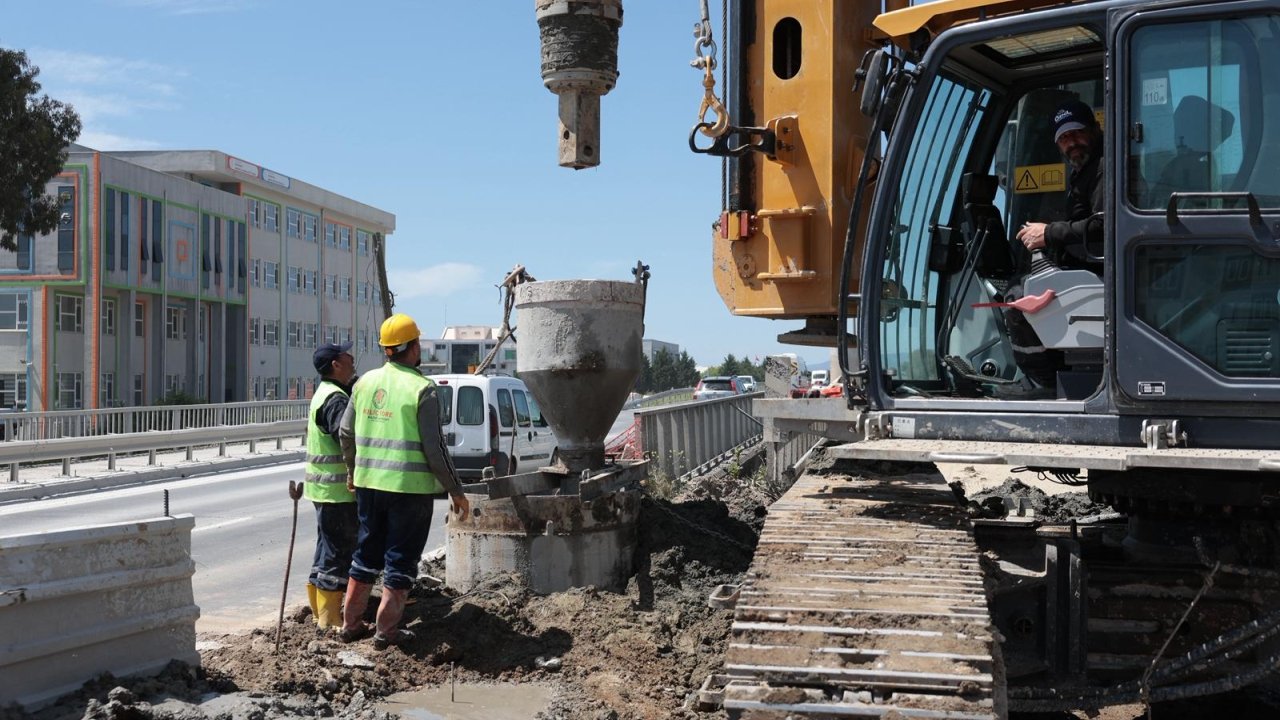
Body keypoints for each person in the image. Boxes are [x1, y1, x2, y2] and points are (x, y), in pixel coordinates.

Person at [338, 313, 471, 649]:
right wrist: (456, 490)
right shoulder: (421, 389)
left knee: (366, 554)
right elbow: (435, 448)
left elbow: (345, 431)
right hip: (409, 492)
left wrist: (353, 471)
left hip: (369, 485)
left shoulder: (363, 383)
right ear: (412, 348)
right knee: (400, 559)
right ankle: (386, 631)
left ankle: (351, 624)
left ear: (386, 350)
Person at [1002, 99, 1104, 398]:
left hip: (1104, 271)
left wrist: (1048, 233)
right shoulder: (1084, 170)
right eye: (1063, 138)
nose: (1070, 142)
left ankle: (1043, 382)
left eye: (1076, 133)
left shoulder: (1104, 167)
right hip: (1092, 266)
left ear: (1095, 130)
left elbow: (1105, 225)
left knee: (1018, 299)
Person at [303, 341, 359, 630]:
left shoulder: (324, 393)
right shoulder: (334, 400)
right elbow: (344, 434)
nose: (352, 359)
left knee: (325, 550)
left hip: (324, 490)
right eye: (347, 356)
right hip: (337, 492)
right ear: (336, 364)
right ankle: (330, 620)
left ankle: (319, 614)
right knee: (337, 554)